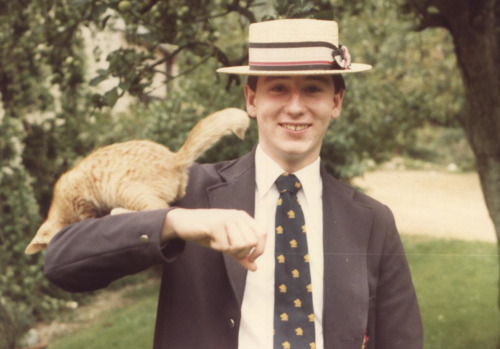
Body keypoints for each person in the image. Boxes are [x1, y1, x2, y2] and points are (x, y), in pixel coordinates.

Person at [44, 18, 423, 349]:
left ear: (335, 101)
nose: (295, 106)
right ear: (251, 99)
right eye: (278, 88)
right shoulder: (188, 192)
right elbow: (60, 263)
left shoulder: (372, 221)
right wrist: (174, 222)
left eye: (313, 89)